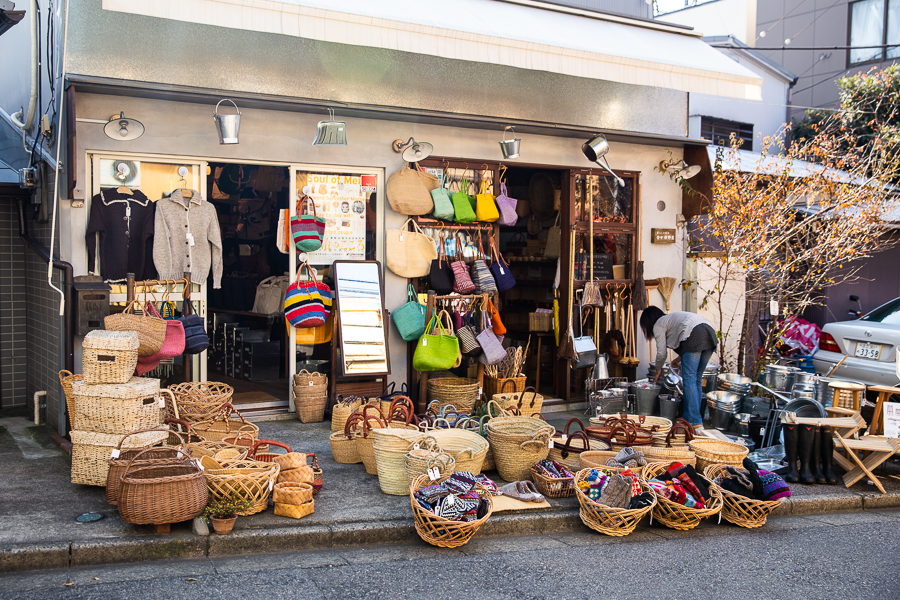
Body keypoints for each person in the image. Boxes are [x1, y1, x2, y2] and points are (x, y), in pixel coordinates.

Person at [639, 306, 718, 428]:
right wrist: (677, 359)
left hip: (696, 335)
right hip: (709, 334)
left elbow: (662, 353)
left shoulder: (659, 324)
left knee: (689, 379)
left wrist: (658, 368)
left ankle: (695, 421)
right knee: (696, 379)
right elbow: (688, 341)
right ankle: (691, 417)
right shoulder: (672, 320)